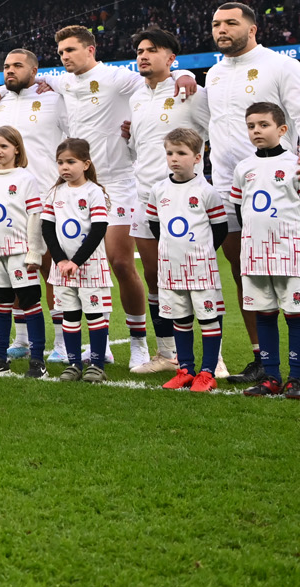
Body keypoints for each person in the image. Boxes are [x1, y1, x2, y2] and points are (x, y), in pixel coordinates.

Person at [203, 2, 300, 390]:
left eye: (230, 23)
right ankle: (265, 360)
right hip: (229, 186)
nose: (221, 29)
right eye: (215, 24)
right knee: (244, 271)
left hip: (277, 185)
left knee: (296, 274)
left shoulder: (281, 65)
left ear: (253, 29)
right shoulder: (212, 73)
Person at [50, 25, 193, 374]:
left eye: (71, 50)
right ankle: (100, 349)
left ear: (91, 50)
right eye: (61, 53)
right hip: (80, 188)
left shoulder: (117, 78)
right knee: (79, 265)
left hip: (120, 182)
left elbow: (160, 79)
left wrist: (187, 72)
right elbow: (32, 80)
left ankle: (138, 343)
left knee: (121, 264)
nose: (65, 57)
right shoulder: (61, 83)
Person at [127, 28, 208, 369]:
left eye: (152, 50)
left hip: (183, 200)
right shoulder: (136, 98)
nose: (143, 55)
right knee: (154, 276)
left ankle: (212, 359)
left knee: (194, 277)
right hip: (144, 196)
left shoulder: (192, 93)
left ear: (172, 58)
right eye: (140, 51)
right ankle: (166, 353)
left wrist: (187, 74)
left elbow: (212, 132)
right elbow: (137, 149)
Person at [232, 101, 300, 400]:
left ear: (282, 129)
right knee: (264, 315)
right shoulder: (243, 168)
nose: (256, 130)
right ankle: (271, 376)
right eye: (251, 126)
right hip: (255, 257)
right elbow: (241, 210)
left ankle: (296, 379)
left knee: (296, 315)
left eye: (263, 125)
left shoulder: (298, 164)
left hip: (290, 254)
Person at [0, 48, 64, 360]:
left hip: (47, 198)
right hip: (9, 205)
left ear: (35, 70)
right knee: (15, 270)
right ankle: (21, 339)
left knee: (52, 273)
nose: (10, 71)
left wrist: (52, 83)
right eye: (6, 66)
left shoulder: (54, 99)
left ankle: (60, 342)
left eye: (17, 65)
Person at [143, 127, 229, 392]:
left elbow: (220, 228)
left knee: (208, 319)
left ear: (197, 156)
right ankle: (185, 370)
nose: (174, 158)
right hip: (171, 268)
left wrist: (201, 252)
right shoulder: (159, 190)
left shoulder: (206, 191)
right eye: (170, 153)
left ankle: (207, 372)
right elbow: (155, 225)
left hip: (201, 268)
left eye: (181, 153)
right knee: (179, 319)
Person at [0, 127, 46, 377]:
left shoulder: (26, 179)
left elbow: (34, 217)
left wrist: (34, 252)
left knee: (29, 302)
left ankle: (37, 360)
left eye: (3, 146)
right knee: (1, 303)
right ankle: (0, 357)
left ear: (17, 148)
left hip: (19, 253)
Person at [40, 138, 113, 382]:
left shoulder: (94, 192)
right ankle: (73, 364)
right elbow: (47, 229)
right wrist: (60, 260)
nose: (64, 167)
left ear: (86, 164)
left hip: (90, 268)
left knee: (94, 316)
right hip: (62, 270)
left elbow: (99, 229)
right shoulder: (55, 193)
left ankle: (97, 365)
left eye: (71, 161)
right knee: (69, 315)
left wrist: (76, 261)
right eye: (60, 162)